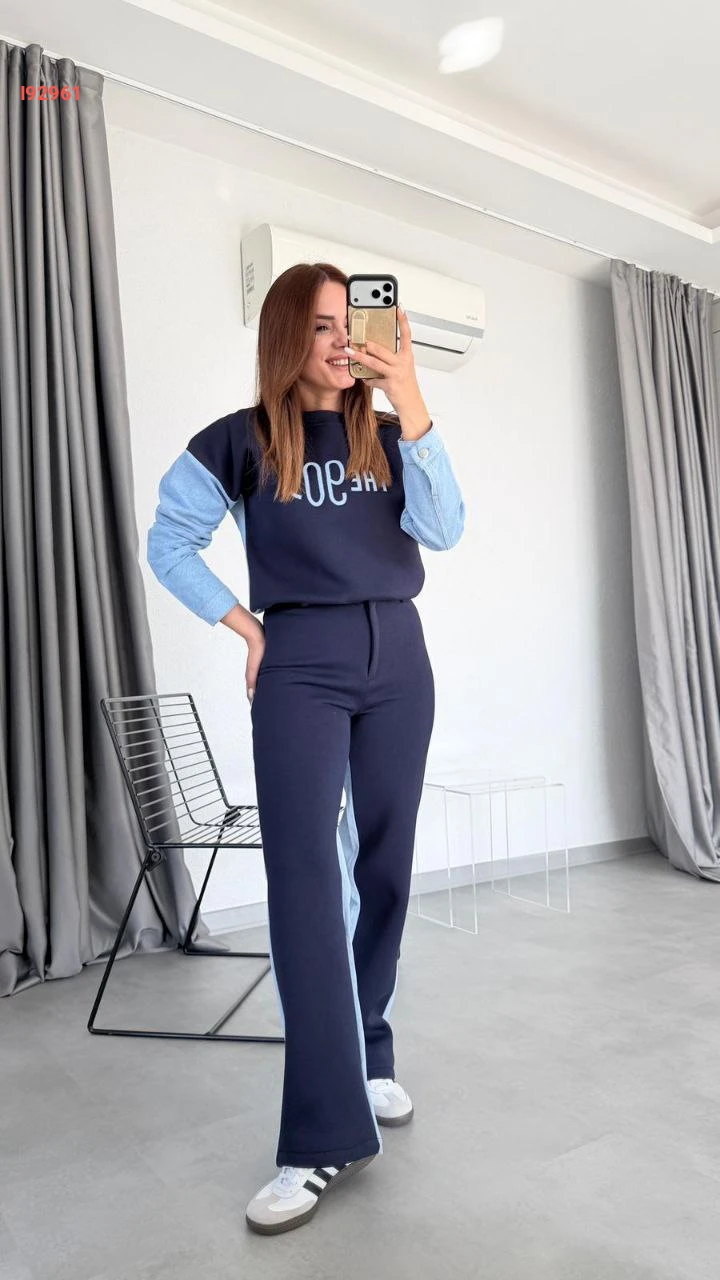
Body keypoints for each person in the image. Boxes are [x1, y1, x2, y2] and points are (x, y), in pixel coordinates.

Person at [147, 261, 465, 1235]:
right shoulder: (239, 440)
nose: (341, 340)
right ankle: (320, 1134)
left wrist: (410, 391)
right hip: (301, 662)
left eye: (350, 323)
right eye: (322, 324)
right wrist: (245, 625)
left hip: (398, 653)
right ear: (289, 334)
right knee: (304, 881)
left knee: (386, 867)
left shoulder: (390, 433)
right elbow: (168, 541)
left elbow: (446, 529)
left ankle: (371, 1055)